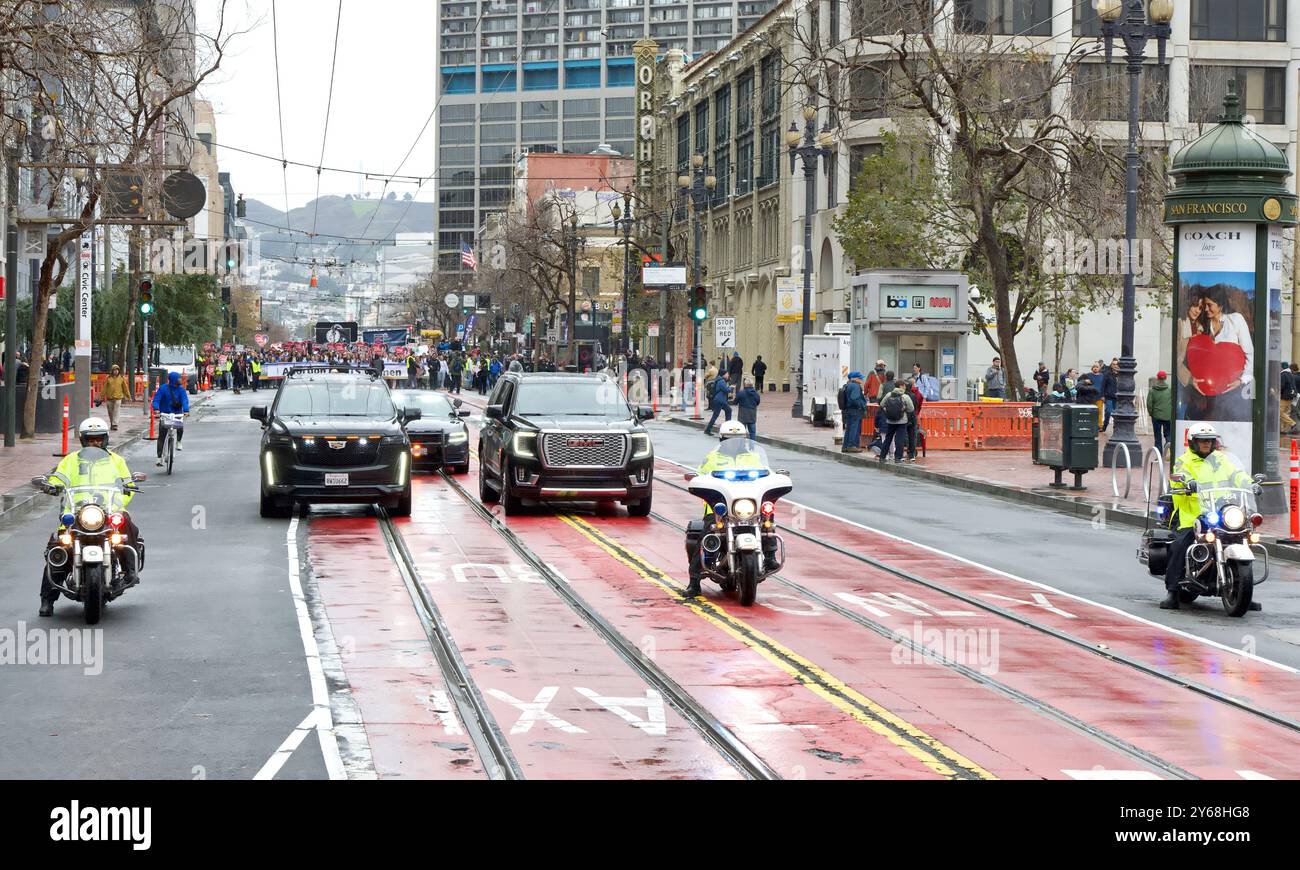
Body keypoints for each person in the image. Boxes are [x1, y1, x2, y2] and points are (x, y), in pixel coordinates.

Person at [39, 418, 141, 616]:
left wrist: (121, 499)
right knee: (58, 546)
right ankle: (47, 599)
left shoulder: (116, 461)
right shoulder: (71, 460)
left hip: (109, 510)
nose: (95, 443)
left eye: (99, 439)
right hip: (77, 512)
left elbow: (128, 485)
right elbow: (57, 477)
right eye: (91, 439)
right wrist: (51, 485)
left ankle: (130, 570)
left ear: (105, 439)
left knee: (128, 527)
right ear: (83, 440)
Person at [1161, 423, 1256, 610]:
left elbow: (1237, 474)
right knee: (1181, 544)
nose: (1206, 444)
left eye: (1209, 441)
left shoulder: (1221, 459)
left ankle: (1243, 591)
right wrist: (1189, 483)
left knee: (1241, 537)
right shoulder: (1184, 461)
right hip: (1192, 515)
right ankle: (1172, 591)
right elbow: (1180, 476)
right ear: (1193, 443)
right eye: (1202, 441)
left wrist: (1250, 484)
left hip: (1220, 510)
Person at [682, 421, 776, 598]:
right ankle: (694, 582)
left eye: (739, 440)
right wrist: (697, 479)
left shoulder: (753, 458)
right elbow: (701, 474)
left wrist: (775, 477)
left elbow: (767, 473)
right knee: (705, 536)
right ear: (722, 439)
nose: (735, 444)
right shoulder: (712, 458)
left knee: (768, 518)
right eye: (730, 439)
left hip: (747, 507)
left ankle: (770, 556)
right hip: (720, 509)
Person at [151, 371, 190, 467]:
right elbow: (156, 399)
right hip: (165, 414)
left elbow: (185, 400)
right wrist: (156, 409)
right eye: (179, 378)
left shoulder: (181, 390)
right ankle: (159, 458)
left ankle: (178, 441)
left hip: (177, 414)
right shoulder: (163, 388)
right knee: (162, 436)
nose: (181, 380)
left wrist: (186, 410)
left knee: (180, 427)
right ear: (174, 379)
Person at [878, 380, 915, 463]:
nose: (905, 387)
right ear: (901, 386)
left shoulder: (889, 395)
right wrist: (904, 409)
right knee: (899, 439)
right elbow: (911, 409)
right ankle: (898, 458)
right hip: (902, 421)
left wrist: (887, 411)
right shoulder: (905, 397)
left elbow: (881, 404)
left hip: (890, 420)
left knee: (888, 438)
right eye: (904, 385)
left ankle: (882, 456)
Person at [840, 371, 868, 453]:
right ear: (855, 378)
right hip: (855, 410)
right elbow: (854, 398)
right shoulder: (855, 386)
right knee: (854, 428)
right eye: (860, 378)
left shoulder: (848, 385)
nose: (861, 380)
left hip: (848, 410)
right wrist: (861, 405)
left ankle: (845, 446)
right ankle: (852, 445)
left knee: (849, 428)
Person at [1146, 370, 1173, 455]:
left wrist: (1151, 413)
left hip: (1156, 416)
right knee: (1168, 434)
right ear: (1165, 378)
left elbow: (1149, 404)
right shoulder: (1169, 390)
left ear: (1157, 378)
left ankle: (1159, 454)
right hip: (1168, 416)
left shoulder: (1152, 390)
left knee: (1157, 437)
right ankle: (1168, 449)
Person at [703, 368, 733, 436]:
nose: (728, 375)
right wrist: (731, 388)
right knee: (725, 412)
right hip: (720, 400)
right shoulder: (721, 381)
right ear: (723, 374)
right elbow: (726, 390)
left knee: (726, 411)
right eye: (727, 373)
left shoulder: (720, 380)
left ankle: (708, 429)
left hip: (719, 400)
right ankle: (726, 428)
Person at [101, 364, 129, 431]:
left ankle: (115, 424)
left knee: (116, 411)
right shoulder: (108, 378)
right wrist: (102, 397)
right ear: (112, 371)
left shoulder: (121, 378)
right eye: (114, 370)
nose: (116, 371)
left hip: (118, 398)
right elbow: (104, 388)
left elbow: (125, 388)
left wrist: (128, 396)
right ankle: (112, 423)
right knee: (110, 412)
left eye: (117, 370)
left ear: (118, 371)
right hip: (109, 398)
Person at [1101, 359, 1119, 431]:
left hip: (1118, 397)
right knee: (1108, 412)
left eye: (1116, 364)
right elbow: (1103, 385)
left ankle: (1116, 427)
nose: (1115, 366)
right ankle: (1105, 425)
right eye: (1113, 364)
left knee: (1117, 414)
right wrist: (1102, 395)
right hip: (1109, 397)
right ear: (1111, 365)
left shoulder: (1121, 374)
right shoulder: (1107, 374)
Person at [1282, 362, 1296, 434]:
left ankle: (1292, 423)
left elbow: (1281, 386)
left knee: (1280, 413)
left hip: (1284, 397)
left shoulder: (1283, 374)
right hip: (1291, 397)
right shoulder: (1291, 375)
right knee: (1286, 413)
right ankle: (1284, 429)